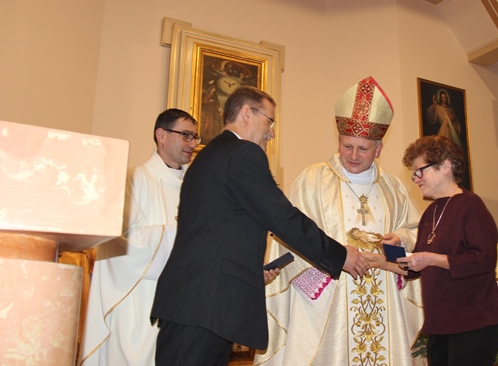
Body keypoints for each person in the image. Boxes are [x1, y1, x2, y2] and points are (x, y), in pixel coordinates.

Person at [150, 86, 369, 366]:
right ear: (246, 113)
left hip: (201, 303)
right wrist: (340, 255)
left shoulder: (213, 154)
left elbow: (217, 233)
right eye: (269, 121)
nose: (271, 133)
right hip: (204, 305)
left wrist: (250, 271)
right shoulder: (242, 153)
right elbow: (283, 217)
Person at [254, 76, 424, 366]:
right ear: (338, 142)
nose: (354, 155)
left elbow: (414, 232)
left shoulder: (393, 188)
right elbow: (289, 237)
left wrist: (399, 240)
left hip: (383, 297)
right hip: (327, 298)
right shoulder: (313, 180)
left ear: (379, 149)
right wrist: (328, 266)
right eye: (347, 146)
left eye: (363, 149)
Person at [79, 108, 200, 366]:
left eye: (195, 137)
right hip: (138, 302)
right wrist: (177, 234)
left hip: (186, 306)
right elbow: (115, 241)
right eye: (186, 135)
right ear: (161, 135)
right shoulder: (133, 179)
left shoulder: (198, 188)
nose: (192, 143)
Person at [391, 135, 498, 366]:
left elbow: (482, 259)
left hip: (473, 323)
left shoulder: (470, 205)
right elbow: (415, 268)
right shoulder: (430, 213)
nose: (416, 179)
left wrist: (432, 259)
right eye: (414, 174)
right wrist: (386, 255)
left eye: (420, 171)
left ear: (445, 166)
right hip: (440, 325)